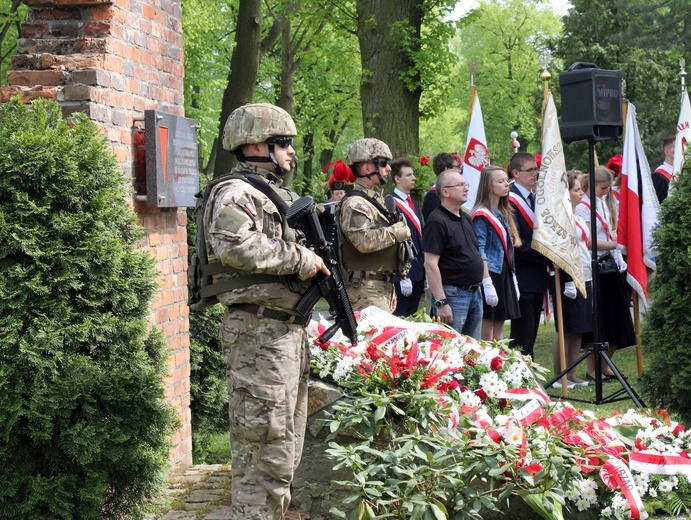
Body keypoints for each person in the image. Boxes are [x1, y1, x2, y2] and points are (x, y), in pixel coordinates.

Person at [204, 103, 329, 520]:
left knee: (284, 449)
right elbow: (232, 244)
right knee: (263, 452)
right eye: (284, 143)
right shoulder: (235, 193)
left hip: (284, 333)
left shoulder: (267, 194)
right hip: (258, 334)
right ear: (256, 144)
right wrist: (299, 258)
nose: (291, 152)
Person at [337, 138, 411, 312]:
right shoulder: (356, 203)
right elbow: (363, 241)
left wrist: (390, 288)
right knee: (371, 338)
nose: (389, 169)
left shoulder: (375, 200)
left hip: (378, 286)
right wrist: (397, 232)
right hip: (364, 289)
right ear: (367, 168)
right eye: (383, 163)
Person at [577, 166, 635, 382]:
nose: (606, 192)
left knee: (618, 318)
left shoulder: (601, 201)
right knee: (600, 321)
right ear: (591, 184)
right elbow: (589, 240)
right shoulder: (583, 207)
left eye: (609, 188)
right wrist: (615, 244)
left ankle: (605, 364)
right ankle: (593, 369)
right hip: (596, 266)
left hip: (611, 265)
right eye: (603, 188)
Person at [423, 168, 484, 339]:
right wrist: (441, 302)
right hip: (453, 294)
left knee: (473, 351)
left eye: (466, 185)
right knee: (451, 350)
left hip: (475, 293)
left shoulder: (465, 217)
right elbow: (430, 263)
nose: (466, 189)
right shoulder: (436, 221)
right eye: (460, 185)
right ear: (445, 191)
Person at [550, 172, 593, 389]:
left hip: (584, 274)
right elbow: (560, 249)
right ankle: (560, 374)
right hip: (568, 277)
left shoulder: (577, 216)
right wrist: (567, 277)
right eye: (576, 190)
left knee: (579, 327)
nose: (581, 193)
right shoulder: (560, 217)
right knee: (566, 327)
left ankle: (573, 372)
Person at [471, 165, 521, 341]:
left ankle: (498, 359)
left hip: (504, 271)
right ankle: (487, 358)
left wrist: (513, 276)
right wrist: (487, 282)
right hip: (490, 272)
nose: (506, 185)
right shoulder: (481, 214)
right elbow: (480, 249)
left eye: (507, 181)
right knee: (489, 321)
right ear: (488, 185)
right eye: (500, 181)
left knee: (500, 319)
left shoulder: (503, 212)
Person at [508, 152, 550, 359]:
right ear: (516, 173)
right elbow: (516, 243)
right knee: (522, 334)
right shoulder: (510, 201)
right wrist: (546, 255)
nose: (535, 174)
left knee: (531, 330)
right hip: (522, 276)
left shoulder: (535, 198)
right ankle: (521, 375)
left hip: (537, 275)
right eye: (530, 170)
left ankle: (528, 371)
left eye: (536, 169)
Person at [391, 158, 425, 316]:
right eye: (409, 175)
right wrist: (401, 276)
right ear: (397, 179)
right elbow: (394, 242)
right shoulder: (391, 204)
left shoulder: (414, 204)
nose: (414, 178)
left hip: (418, 271)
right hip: (403, 273)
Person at [421, 152, 460, 221]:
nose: (460, 171)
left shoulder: (452, 192)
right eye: (457, 167)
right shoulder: (433, 197)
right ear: (447, 169)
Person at [652, 136, 675, 203]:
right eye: (677, 148)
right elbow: (658, 204)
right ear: (667, 152)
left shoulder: (682, 171)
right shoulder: (659, 176)